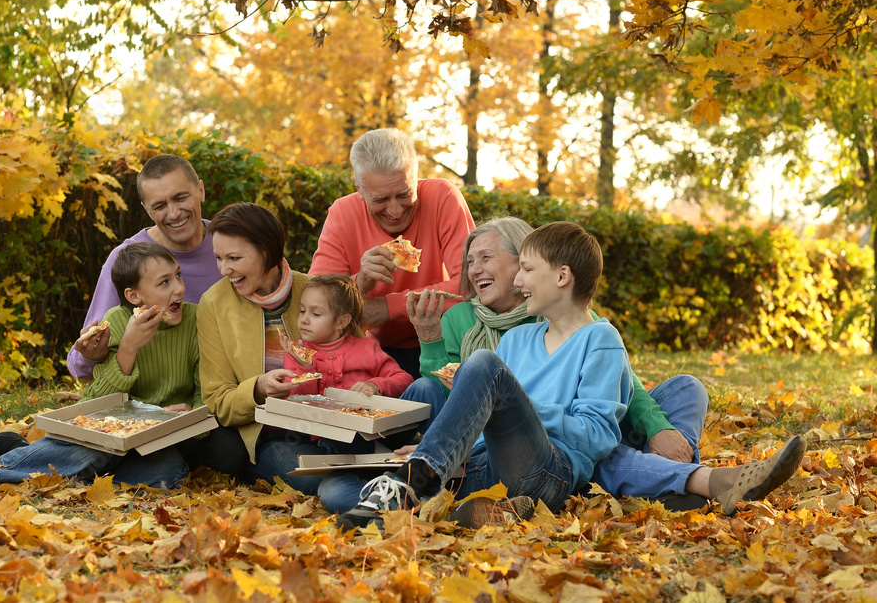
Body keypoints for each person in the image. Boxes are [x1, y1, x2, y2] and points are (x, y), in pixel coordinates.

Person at [318, 217, 707, 513]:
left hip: (558, 453)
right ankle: (442, 492)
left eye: (487, 257)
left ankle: (676, 480)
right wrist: (430, 343)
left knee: (686, 388)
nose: (474, 270)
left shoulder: (572, 322)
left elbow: (622, 393)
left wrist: (659, 428)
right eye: (470, 261)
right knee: (336, 492)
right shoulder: (493, 331)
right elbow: (453, 390)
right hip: (490, 451)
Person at [0, 243, 244, 486]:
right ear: (134, 296)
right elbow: (93, 406)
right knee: (98, 451)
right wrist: (128, 348)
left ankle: (27, 455)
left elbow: (207, 395)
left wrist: (186, 416)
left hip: (164, 441)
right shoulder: (116, 322)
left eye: (178, 276)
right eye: (164, 283)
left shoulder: (195, 321)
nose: (178, 288)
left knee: (169, 471)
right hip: (112, 436)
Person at [309, 128, 475, 378]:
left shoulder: (443, 196)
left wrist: (388, 307)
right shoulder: (342, 214)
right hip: (372, 352)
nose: (395, 210)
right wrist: (360, 282)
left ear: (416, 179)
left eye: (404, 194)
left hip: (444, 341)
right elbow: (316, 302)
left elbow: (471, 283)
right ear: (360, 190)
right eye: (380, 199)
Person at [198, 203, 330, 494]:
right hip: (269, 436)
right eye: (218, 258)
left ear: (267, 251)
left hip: (329, 426)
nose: (224, 270)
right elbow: (217, 401)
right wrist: (258, 388)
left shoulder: (316, 290)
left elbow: (356, 355)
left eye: (234, 258)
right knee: (315, 479)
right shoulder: (213, 304)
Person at [66, 154, 222, 380]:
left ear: (201, 191)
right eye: (159, 206)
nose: (174, 213)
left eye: (180, 198)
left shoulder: (230, 245)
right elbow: (81, 367)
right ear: (147, 210)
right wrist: (90, 355)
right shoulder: (127, 259)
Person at [280, 274, 412, 398]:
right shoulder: (296, 352)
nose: (304, 319)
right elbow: (294, 398)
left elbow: (404, 380)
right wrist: (305, 367)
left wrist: (375, 385)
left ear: (342, 322)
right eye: (302, 311)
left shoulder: (367, 348)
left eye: (316, 314)